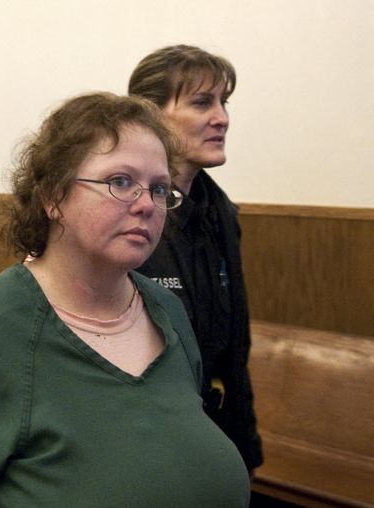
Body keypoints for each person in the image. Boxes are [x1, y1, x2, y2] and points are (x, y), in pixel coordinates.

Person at [0, 92, 250, 506]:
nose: (146, 205)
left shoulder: (167, 313)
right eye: (120, 182)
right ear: (52, 195)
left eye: (159, 189)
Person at [129, 44, 263, 471]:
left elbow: (232, 343)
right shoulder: (126, 212)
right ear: (150, 114)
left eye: (224, 102)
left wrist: (245, 445)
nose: (222, 118)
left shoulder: (219, 210)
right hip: (150, 449)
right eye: (202, 102)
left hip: (217, 436)